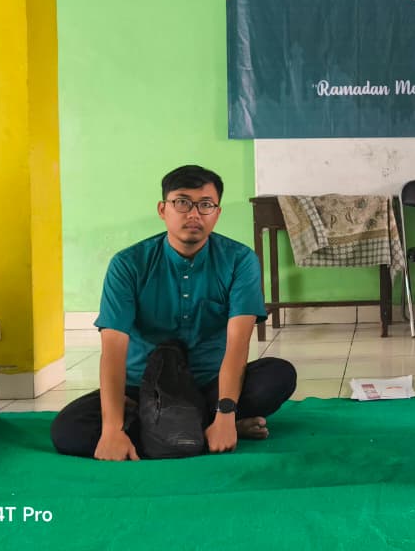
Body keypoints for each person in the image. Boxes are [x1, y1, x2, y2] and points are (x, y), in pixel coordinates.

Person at [50, 165, 296, 459]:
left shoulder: (239, 260)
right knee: (68, 431)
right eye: (182, 202)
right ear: (162, 209)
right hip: (141, 390)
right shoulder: (128, 264)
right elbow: (113, 351)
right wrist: (112, 428)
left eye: (205, 205)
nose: (194, 214)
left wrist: (226, 414)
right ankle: (188, 433)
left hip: (209, 386)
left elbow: (237, 346)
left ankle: (178, 431)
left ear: (217, 213)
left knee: (277, 376)